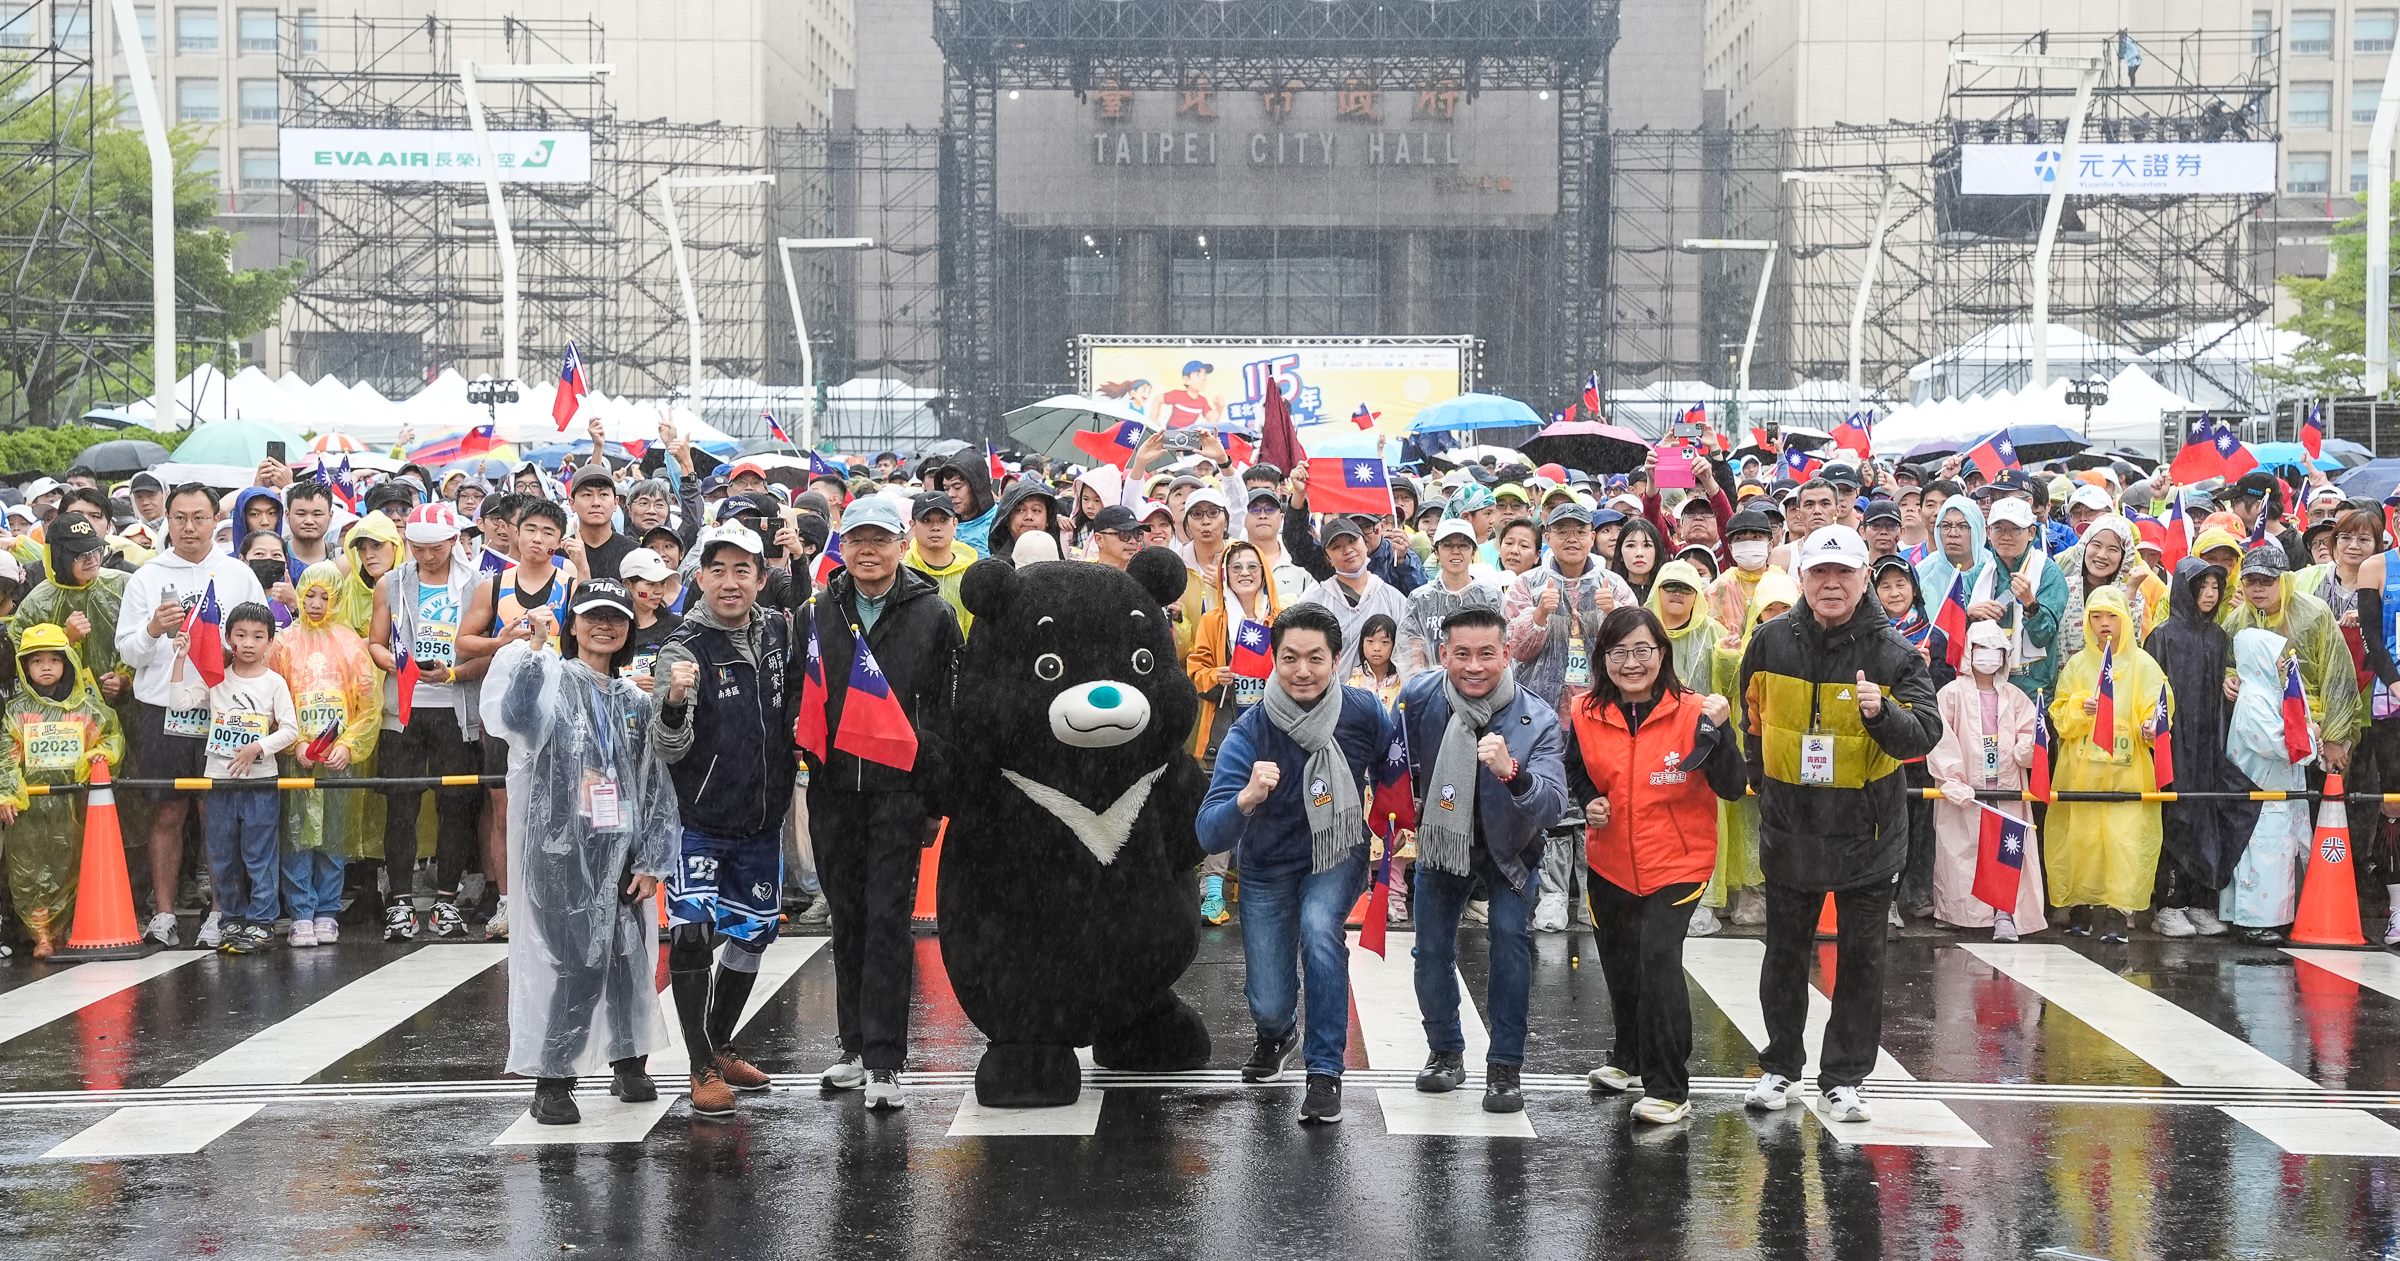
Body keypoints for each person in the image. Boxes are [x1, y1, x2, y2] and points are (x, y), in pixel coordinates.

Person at [1737, 525, 1942, 1123]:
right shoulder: (1769, 641)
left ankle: (1845, 1078)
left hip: (1867, 836)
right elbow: (1752, 720)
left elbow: (1925, 734)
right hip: (1791, 830)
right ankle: (1779, 1066)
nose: (1831, 584)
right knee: (1784, 956)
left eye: (1844, 573)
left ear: (1863, 578)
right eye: (1820, 572)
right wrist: (1765, 788)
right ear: (1801, 576)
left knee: (1861, 960)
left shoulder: (1894, 652)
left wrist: (1882, 714)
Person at [482, 578, 680, 1126]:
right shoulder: (551, 680)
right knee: (577, 964)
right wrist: (534, 649)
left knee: (628, 961)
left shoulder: (633, 702)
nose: (604, 627)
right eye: (592, 616)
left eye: (616, 618)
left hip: (620, 854)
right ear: (573, 624)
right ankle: (553, 1078)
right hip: (557, 855)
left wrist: (651, 859)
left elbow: (653, 785)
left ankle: (629, 1061)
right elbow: (515, 719)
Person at [795, 495, 960, 1113]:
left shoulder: (933, 613)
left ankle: (887, 1059)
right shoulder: (817, 612)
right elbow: (801, 693)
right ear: (842, 546)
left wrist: (934, 796)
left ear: (901, 544)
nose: (868, 551)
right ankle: (854, 1047)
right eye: (857, 540)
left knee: (888, 922)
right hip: (834, 791)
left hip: (899, 792)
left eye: (881, 539)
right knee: (847, 919)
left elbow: (944, 712)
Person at [1197, 603, 1380, 1125]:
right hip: (1268, 864)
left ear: (1337, 660)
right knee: (1270, 1001)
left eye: (1315, 658)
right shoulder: (1250, 730)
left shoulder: (1363, 712)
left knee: (1321, 929)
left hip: (1336, 852)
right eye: (1290, 658)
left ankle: (1324, 1072)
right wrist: (1246, 799)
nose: (1303, 671)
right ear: (1273, 661)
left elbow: (1398, 769)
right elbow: (1208, 830)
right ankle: (1277, 1035)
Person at [1566, 606, 1745, 1124]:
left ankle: (1668, 1087)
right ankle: (1628, 1058)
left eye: (1643, 650)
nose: (1632, 663)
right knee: (1620, 963)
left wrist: (1722, 732)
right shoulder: (1584, 711)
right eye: (1618, 652)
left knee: (1657, 961)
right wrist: (1590, 802)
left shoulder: (1695, 712)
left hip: (1678, 862)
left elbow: (1733, 786)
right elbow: (1576, 772)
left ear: (1662, 654)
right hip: (1610, 861)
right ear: (1603, 658)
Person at [1393, 605, 1568, 1114]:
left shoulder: (1537, 718)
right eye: (1462, 654)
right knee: (1429, 951)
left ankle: (1505, 1066)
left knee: (1510, 943)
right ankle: (1445, 1051)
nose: (1474, 666)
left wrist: (1513, 773)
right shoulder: (1417, 699)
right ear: (1443, 653)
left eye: (1487, 654)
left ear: (1507, 654)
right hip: (1442, 842)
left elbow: (1554, 806)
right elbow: (1391, 761)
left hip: (1510, 848)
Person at [652, 520, 797, 1119]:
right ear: (699, 578)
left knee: (752, 934)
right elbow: (668, 747)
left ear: (761, 578)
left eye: (743, 570)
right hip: (699, 819)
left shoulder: (780, 632)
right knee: (691, 934)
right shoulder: (682, 646)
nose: (730, 582)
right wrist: (673, 701)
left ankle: (720, 1044)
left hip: (763, 819)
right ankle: (700, 1065)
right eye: (717, 570)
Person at [117, 483, 267, 947]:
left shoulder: (238, 573)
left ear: (215, 519)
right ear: (166, 519)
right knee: (168, 810)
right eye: (179, 517)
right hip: (162, 708)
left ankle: (221, 911)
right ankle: (163, 914)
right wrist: (152, 629)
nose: (189, 527)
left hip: (224, 710)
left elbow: (264, 638)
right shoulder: (146, 577)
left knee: (216, 811)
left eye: (199, 517)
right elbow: (128, 652)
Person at [366, 504, 489, 942]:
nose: (427, 556)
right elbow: (375, 643)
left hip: (456, 708)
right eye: (417, 548)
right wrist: (398, 666)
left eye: (436, 548)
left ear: (454, 541)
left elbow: (487, 651)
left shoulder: (478, 583)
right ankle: (400, 902)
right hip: (404, 708)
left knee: (455, 804)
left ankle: (446, 900)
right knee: (401, 805)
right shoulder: (392, 582)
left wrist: (453, 673)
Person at [167, 601, 299, 956]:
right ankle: (231, 920)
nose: (249, 643)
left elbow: (290, 730)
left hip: (261, 783)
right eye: (241, 635)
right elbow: (179, 703)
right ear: (228, 638)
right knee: (222, 855)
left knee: (259, 854)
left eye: (258, 636)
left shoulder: (274, 683)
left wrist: (257, 748)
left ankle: (262, 922)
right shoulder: (216, 677)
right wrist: (180, 659)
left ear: (270, 641)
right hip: (219, 781)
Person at [2046, 586, 2172, 943]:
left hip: (2128, 773)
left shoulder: (2143, 665)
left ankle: (2117, 914)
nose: (2104, 624)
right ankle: (2081, 909)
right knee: (2082, 843)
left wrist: (2151, 725)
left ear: (2125, 621)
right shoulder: (2077, 665)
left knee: (2124, 844)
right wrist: (2079, 708)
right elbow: (2059, 714)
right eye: (2096, 616)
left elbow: (2159, 705)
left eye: (2112, 616)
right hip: (2082, 773)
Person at [273, 565, 381, 947]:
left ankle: (327, 911)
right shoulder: (284, 644)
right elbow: (272, 700)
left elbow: (369, 705)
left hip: (338, 760)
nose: (316, 604)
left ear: (337, 598)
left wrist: (348, 745)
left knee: (334, 836)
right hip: (297, 759)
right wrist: (295, 744)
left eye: (325, 596)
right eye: (310, 595)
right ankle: (301, 912)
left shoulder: (351, 644)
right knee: (297, 836)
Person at [0, 623, 124, 957]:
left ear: (67, 662)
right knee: (28, 871)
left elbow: (110, 738)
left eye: (54, 660)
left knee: (72, 867)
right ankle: (41, 934)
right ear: (24, 667)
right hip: (29, 810)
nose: (46, 667)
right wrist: (7, 793)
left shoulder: (87, 708)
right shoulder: (16, 712)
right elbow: (6, 757)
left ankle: (67, 928)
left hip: (74, 805)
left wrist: (100, 755)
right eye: (37, 661)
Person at [2144, 558, 2249, 938]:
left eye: (2215, 587)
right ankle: (2169, 904)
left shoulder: (2218, 637)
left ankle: (2200, 901)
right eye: (2201, 587)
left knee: (2207, 820)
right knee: (2177, 820)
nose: (2209, 594)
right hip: (2176, 743)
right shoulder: (2162, 636)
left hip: (2209, 744)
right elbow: (2150, 691)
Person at [1925, 620, 2046, 939]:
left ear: (2005, 655)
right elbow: (1940, 738)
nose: (1988, 654)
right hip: (1965, 788)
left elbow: (2031, 733)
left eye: (1996, 648)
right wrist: (1951, 778)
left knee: (2006, 849)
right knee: (1963, 851)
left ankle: (2004, 913)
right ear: (1969, 651)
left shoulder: (2015, 696)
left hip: (2006, 789)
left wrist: (2025, 747)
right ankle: (1960, 912)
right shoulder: (1951, 694)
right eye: (1981, 647)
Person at [1183, 538, 1282, 925]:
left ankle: (1264, 886)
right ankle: (1212, 890)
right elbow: (1195, 669)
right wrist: (1215, 675)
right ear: (1225, 575)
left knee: (1270, 804)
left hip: (1271, 726)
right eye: (1236, 566)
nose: (1244, 573)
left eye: (1252, 566)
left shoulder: (1280, 620)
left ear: (1264, 574)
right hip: (1225, 724)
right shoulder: (1213, 621)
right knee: (1225, 803)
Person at [2227, 542, 2361, 777]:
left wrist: (2334, 738)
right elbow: (2226, 662)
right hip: (2259, 735)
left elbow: (2338, 678)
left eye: (2267, 580)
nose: (2258, 588)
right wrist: (2227, 678)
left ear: (2285, 580)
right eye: (2250, 581)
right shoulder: (2236, 620)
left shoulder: (2314, 613)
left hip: (2314, 733)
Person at [2221, 627, 2313, 944]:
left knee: (2276, 858)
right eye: (2275, 657)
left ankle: (2271, 919)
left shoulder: (2269, 693)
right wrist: (2310, 734)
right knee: (2261, 860)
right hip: (2260, 794)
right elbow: (2275, 743)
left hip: (2276, 794)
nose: (2281, 663)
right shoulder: (2253, 700)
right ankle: (2253, 921)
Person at [1503, 504, 1638, 719]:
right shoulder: (1527, 584)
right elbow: (1514, 650)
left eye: (1580, 532)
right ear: (1548, 538)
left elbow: (1635, 643)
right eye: (1563, 532)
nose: (1572, 539)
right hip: (1538, 706)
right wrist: (1539, 614)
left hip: (1603, 702)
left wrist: (1614, 611)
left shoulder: (1613, 584)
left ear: (1592, 538)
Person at [1289, 517, 1411, 677]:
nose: (1347, 550)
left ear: (1365, 544)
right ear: (1327, 558)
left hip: (1384, 691)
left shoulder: (1392, 598)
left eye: (1352, 541)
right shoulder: (1315, 600)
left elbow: (1409, 651)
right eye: (1336, 547)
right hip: (1330, 690)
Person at [1400, 519, 1503, 679]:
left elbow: (1500, 649)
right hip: (1432, 687)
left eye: (1463, 545)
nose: (1456, 551)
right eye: (1448, 545)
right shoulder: (1419, 599)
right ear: (1436, 551)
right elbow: (1411, 655)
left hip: (1479, 682)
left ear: (1473, 552)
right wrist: (1428, 682)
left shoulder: (1490, 597)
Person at [903, 490, 979, 637]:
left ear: (955, 523)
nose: (935, 527)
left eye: (943, 520)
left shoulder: (971, 571)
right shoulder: (903, 570)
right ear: (913, 525)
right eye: (926, 520)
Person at [1346, 613, 1404, 708]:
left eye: (1385, 642)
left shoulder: (1402, 682)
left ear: (1394, 645)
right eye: (1370, 641)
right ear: (1362, 644)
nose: (1377, 648)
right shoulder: (1353, 685)